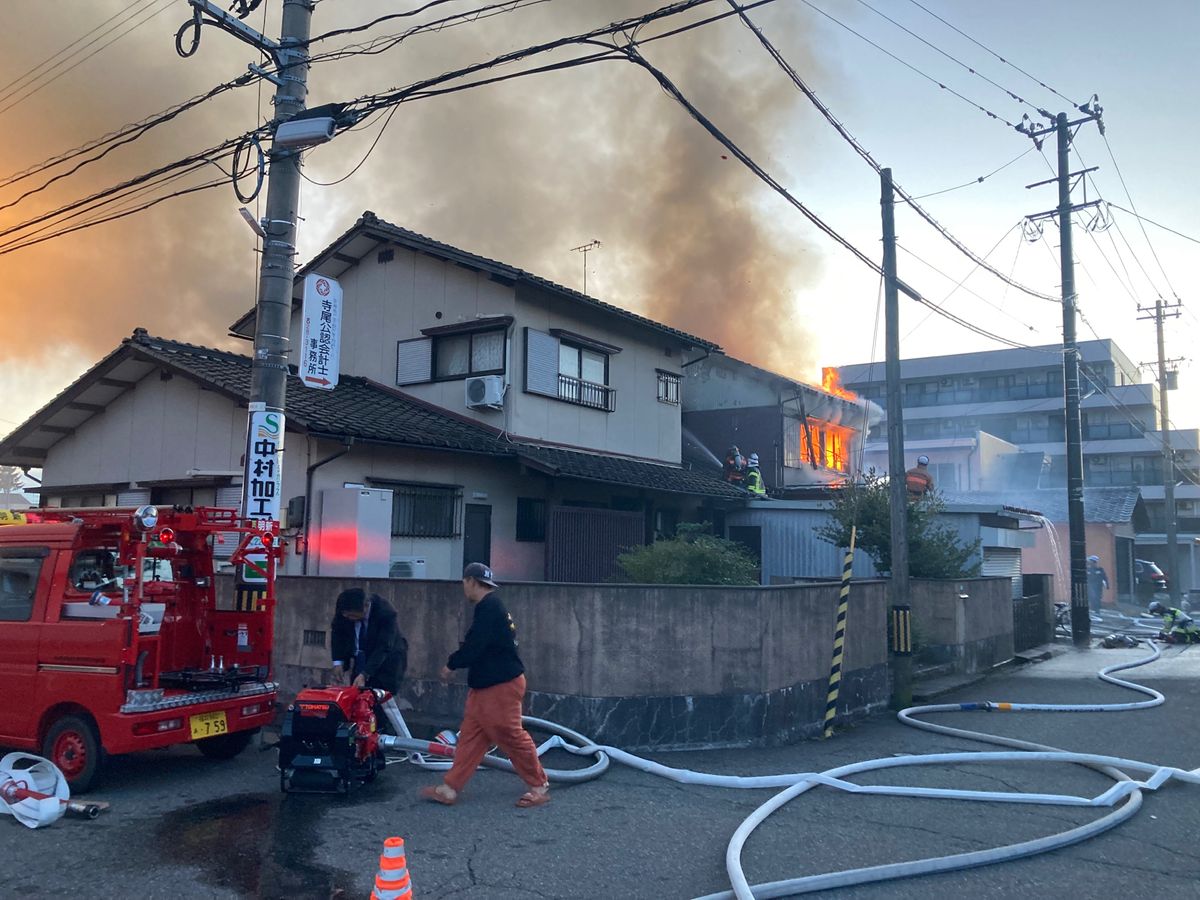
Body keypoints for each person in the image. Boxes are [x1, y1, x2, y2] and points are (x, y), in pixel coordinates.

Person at [419, 563, 549, 808]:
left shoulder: (488, 608)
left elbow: (475, 645)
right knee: (471, 737)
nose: (463, 588)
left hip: (500, 684)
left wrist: (451, 664)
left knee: (510, 734)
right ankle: (450, 788)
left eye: (464, 583)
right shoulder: (491, 607)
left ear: (470, 581)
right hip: (487, 686)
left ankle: (539, 785)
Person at [329, 588, 408, 694]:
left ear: (366, 606)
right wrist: (338, 662)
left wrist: (365, 674)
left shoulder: (386, 613)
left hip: (385, 662)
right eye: (345, 615)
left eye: (352, 615)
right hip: (360, 659)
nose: (348, 618)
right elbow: (337, 633)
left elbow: (384, 647)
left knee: (379, 702)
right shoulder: (344, 611)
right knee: (357, 697)